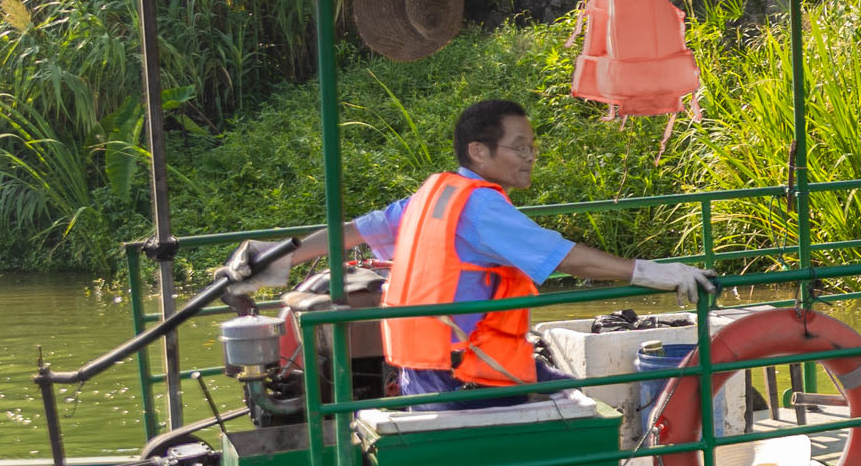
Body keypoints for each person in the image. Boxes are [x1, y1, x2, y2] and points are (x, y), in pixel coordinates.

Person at [249, 97, 717, 399]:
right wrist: (658, 273)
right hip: (465, 373)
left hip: (419, 369)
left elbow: (353, 231)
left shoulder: (434, 195)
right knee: (582, 411)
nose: (530, 157)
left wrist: (277, 256)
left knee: (568, 392)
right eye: (520, 147)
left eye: (533, 147)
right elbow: (567, 258)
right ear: (478, 151)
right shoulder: (480, 208)